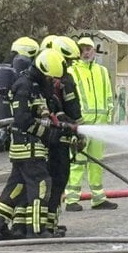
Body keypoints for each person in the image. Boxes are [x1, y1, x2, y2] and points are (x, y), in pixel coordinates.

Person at [0, 48, 73, 240]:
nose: (53, 82)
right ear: (44, 70)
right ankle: (37, 230)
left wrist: (61, 127)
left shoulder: (37, 87)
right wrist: (49, 134)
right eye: (51, 78)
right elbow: (22, 120)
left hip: (30, 147)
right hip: (27, 146)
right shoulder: (24, 87)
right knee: (41, 184)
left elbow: (45, 113)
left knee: (16, 187)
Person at [64, 36, 118, 211]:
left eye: (88, 49)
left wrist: (109, 119)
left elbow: (109, 96)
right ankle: (71, 199)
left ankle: (98, 198)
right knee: (77, 162)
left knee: (97, 162)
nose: (85, 52)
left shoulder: (102, 71)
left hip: (99, 125)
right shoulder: (72, 71)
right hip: (81, 124)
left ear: (94, 51)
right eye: (82, 49)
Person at [44, 36, 84, 235]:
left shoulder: (63, 78)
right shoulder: (46, 81)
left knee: (60, 179)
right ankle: (43, 224)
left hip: (60, 139)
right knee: (51, 181)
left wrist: (77, 130)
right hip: (48, 142)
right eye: (65, 61)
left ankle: (50, 223)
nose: (67, 66)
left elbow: (70, 108)